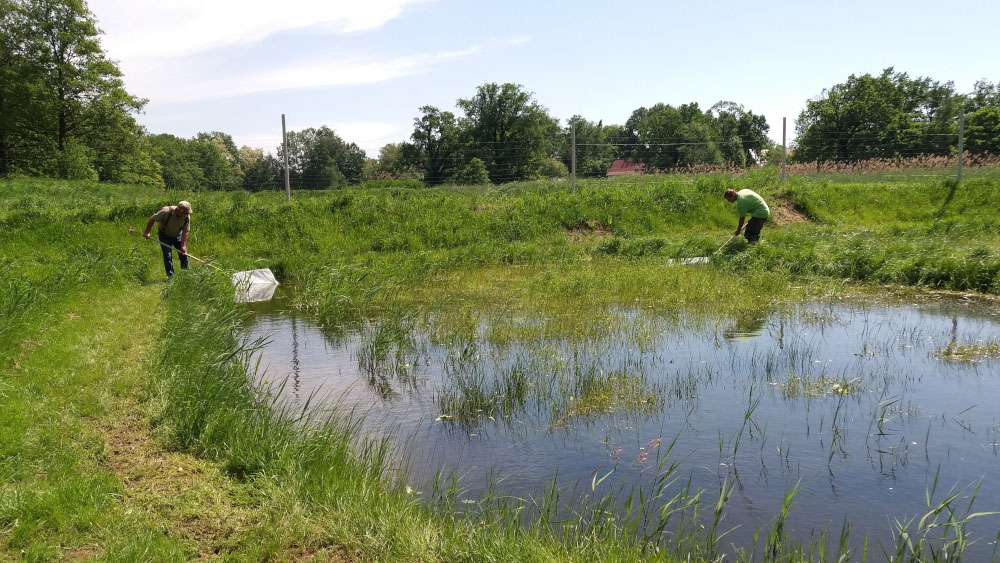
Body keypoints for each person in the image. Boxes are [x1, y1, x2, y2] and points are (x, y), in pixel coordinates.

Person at [142, 200, 192, 278]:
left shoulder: (186, 216)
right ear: (179, 210)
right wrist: (147, 232)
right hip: (164, 235)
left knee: (184, 254)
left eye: (187, 212)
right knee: (167, 256)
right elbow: (152, 219)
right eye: (185, 212)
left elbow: (185, 231)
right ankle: (171, 277)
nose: (186, 214)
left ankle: (187, 275)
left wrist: (183, 246)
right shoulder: (166, 211)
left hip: (177, 235)